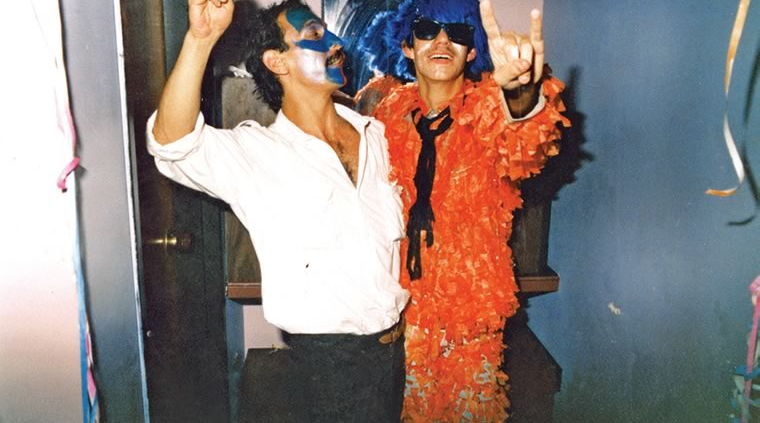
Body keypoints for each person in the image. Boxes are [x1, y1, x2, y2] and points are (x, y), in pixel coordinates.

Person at [146, 0, 409, 421]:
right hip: (324, 366)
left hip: (399, 355)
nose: (336, 43)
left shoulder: (379, 136)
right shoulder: (257, 153)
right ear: (277, 62)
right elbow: (172, 143)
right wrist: (201, 39)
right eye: (314, 35)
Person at [354, 0, 571, 421]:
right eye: (427, 29)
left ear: (472, 51)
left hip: (471, 327)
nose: (442, 41)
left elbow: (524, 144)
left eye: (458, 32)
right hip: (397, 313)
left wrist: (521, 95)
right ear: (407, 45)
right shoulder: (384, 111)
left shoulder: (490, 109)